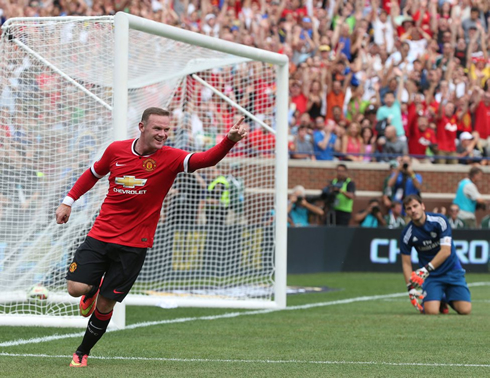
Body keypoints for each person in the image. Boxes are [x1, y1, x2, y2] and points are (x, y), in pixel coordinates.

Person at [55, 107, 247, 367]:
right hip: (101, 233)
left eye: (167, 129)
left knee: (105, 305)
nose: (163, 134)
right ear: (142, 127)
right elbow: (93, 174)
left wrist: (229, 141)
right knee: (74, 289)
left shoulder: (171, 157)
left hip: (135, 244)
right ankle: (91, 289)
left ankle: (82, 352)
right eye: (158, 128)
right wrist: (68, 201)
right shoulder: (116, 150)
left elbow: (206, 160)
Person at [400, 195, 471, 315]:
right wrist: (410, 288)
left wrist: (425, 270)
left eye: (415, 206)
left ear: (423, 206)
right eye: (408, 208)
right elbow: (406, 263)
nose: (413, 210)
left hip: (451, 270)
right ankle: (439, 299)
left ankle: (444, 298)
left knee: (465, 310)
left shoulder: (440, 221)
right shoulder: (407, 234)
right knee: (431, 311)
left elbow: (446, 251)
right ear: (406, 212)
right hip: (431, 276)